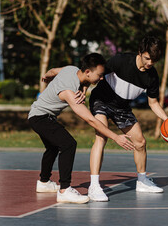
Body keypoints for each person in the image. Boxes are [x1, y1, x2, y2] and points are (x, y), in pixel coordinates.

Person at [28, 53, 135, 204]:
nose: (102, 78)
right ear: (87, 72)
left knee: (53, 147)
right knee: (68, 144)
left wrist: (47, 77)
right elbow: (91, 120)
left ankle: (44, 183)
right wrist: (116, 137)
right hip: (40, 118)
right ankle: (64, 190)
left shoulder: (71, 69)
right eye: (99, 75)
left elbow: (52, 71)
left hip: (38, 114)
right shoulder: (69, 92)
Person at [88, 36, 168, 202]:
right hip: (101, 100)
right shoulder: (121, 60)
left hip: (122, 108)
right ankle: (94, 186)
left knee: (140, 142)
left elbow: (153, 103)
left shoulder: (152, 76)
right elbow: (98, 73)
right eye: (147, 58)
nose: (150, 63)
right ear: (140, 52)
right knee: (101, 137)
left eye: (154, 60)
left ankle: (142, 181)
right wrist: (82, 87)